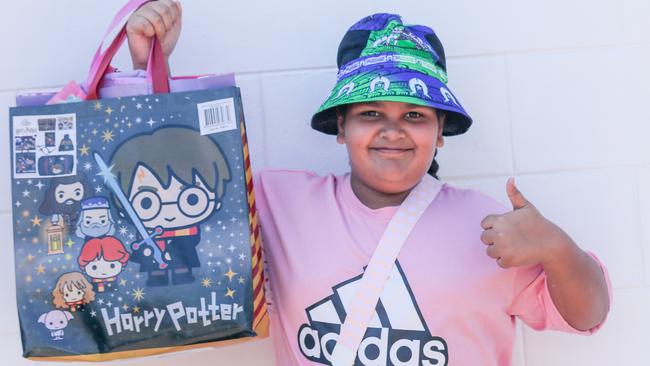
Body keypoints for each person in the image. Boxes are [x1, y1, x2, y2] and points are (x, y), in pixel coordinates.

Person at [126, 3, 610, 365]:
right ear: (340, 127)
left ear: (440, 132)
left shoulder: (492, 225)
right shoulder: (279, 203)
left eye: (415, 115)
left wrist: (556, 248)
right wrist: (150, 72)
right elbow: (167, 194)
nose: (392, 130)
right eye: (370, 113)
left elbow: (587, 316)